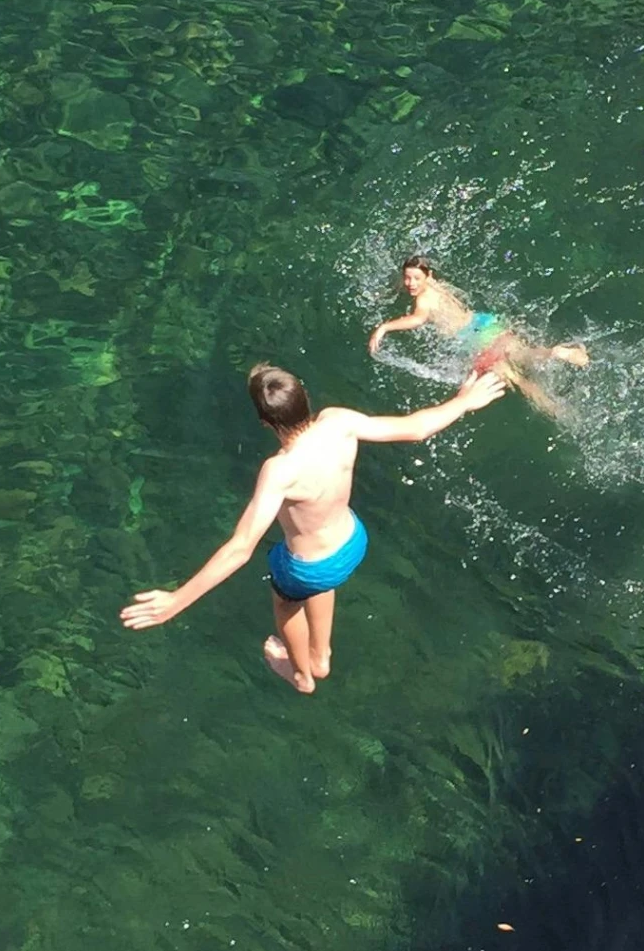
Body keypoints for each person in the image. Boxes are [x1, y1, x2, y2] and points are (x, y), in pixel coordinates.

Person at [119, 362, 507, 692]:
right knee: (320, 576)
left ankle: (303, 673)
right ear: (304, 398)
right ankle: (322, 655)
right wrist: (463, 401)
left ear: (265, 422)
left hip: (308, 569)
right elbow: (416, 428)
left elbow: (240, 548)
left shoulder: (280, 471)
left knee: (287, 603)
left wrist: (176, 601)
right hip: (353, 541)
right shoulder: (338, 421)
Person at [368, 256, 588, 418]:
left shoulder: (423, 301)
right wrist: (398, 287)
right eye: (407, 279)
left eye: (415, 279)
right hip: (483, 322)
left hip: (472, 338)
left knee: (517, 380)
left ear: (427, 276)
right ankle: (555, 352)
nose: (411, 284)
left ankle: (557, 411)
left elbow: (416, 319)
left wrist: (384, 327)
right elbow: (412, 280)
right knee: (526, 354)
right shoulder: (435, 285)